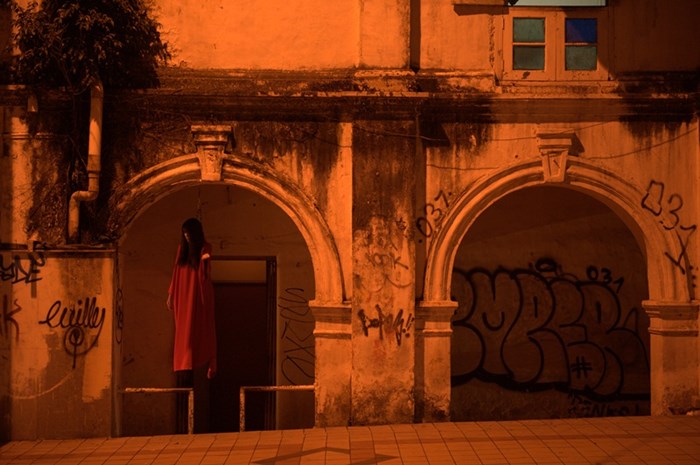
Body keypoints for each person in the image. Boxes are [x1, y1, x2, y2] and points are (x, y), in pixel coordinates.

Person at [167, 218, 217, 380]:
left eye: (189, 233)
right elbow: (175, 272)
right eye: (184, 233)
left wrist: (204, 258)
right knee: (183, 329)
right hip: (182, 291)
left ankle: (200, 361)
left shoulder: (205, 248)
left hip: (196, 290)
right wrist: (171, 294)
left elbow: (205, 270)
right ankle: (183, 363)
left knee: (196, 326)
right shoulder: (181, 250)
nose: (186, 236)